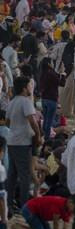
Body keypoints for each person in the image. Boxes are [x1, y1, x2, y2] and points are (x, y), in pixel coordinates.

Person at [6, 76, 41, 212]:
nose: (31, 88)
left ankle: (9, 204)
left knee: (12, 175)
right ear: (24, 88)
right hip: (22, 143)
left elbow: (8, 123)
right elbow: (33, 122)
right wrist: (37, 136)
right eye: (29, 86)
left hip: (12, 141)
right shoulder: (25, 102)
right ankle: (25, 207)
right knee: (25, 175)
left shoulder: (12, 102)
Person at [8, 196, 74, 229]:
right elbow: (55, 223)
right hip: (29, 210)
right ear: (69, 202)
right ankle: (16, 227)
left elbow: (66, 225)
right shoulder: (59, 203)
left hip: (39, 214)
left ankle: (16, 227)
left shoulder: (68, 208)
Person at [39, 57, 66, 139]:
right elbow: (61, 83)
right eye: (52, 62)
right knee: (49, 121)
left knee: (46, 119)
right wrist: (63, 75)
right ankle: (47, 139)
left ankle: (43, 137)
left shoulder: (43, 73)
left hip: (44, 99)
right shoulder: (51, 73)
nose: (53, 64)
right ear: (49, 64)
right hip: (51, 100)